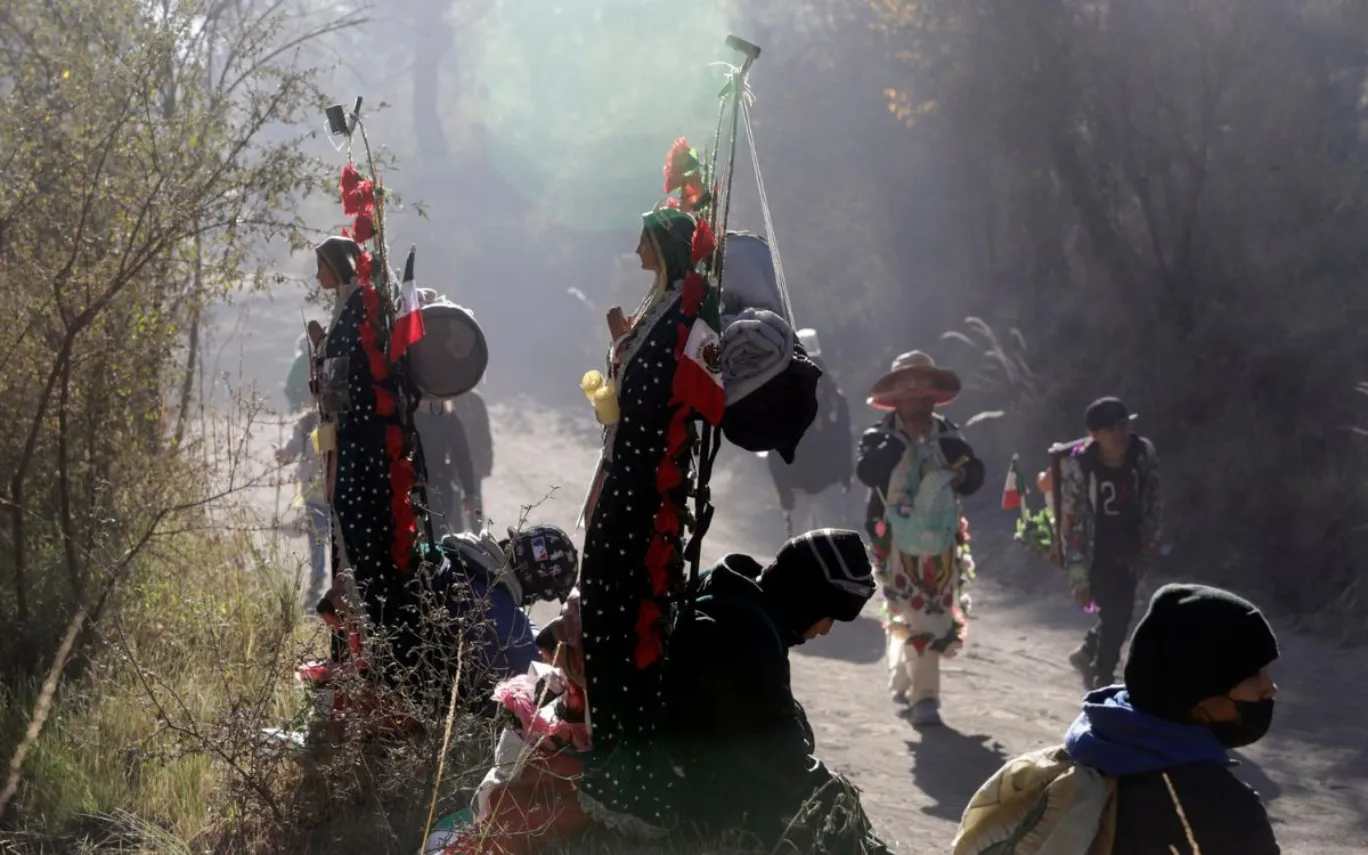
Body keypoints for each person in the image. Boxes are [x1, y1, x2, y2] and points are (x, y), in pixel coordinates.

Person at [953, 584, 1281, 855]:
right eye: (1252, 676)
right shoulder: (1223, 810)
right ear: (1197, 692)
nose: (1270, 688)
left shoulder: (1069, 765)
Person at [664, 529, 892, 854]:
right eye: (828, 615)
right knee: (831, 799)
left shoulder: (729, 590)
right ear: (807, 599)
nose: (826, 630)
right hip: (699, 789)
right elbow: (775, 756)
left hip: (699, 759)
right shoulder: (747, 635)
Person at [856, 350, 984, 727]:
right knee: (911, 608)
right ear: (896, 399)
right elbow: (868, 473)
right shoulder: (879, 436)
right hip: (892, 539)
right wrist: (897, 443)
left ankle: (913, 687)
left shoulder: (948, 435)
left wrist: (958, 475)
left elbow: (975, 475)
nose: (920, 402)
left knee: (929, 612)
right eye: (910, 395)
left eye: (925, 395)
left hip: (941, 541)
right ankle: (922, 693)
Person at [1055, 397, 1163, 689]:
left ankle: (1088, 651)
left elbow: (1152, 500)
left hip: (1129, 544)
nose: (1119, 435)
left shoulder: (1142, 453)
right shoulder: (1081, 466)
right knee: (1116, 610)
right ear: (1095, 435)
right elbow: (1073, 523)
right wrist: (1078, 580)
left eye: (1123, 426)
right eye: (1110, 429)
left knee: (1121, 609)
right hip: (1096, 549)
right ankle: (1103, 676)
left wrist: (1149, 543)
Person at [767, 328, 854, 536]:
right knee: (799, 551)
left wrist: (846, 473)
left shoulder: (834, 399)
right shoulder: (783, 401)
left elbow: (844, 439)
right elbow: (775, 448)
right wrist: (783, 489)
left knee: (832, 546)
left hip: (828, 485)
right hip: (798, 489)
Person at [275, 409, 329, 603]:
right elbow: (294, 447)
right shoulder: (307, 422)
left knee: (339, 543)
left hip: (337, 494)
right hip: (314, 494)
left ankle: (343, 585)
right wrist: (285, 454)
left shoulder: (344, 415)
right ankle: (317, 580)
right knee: (317, 539)